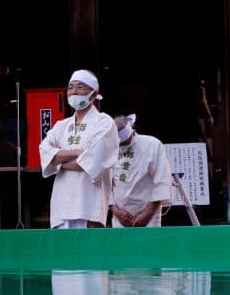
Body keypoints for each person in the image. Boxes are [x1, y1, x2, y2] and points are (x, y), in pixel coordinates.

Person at [39, 69, 118, 228]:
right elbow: (44, 151)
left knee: (88, 250)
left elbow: (95, 161)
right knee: (63, 251)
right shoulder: (62, 125)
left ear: (94, 94)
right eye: (70, 87)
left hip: (89, 204)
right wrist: (81, 152)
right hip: (61, 204)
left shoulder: (104, 122)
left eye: (80, 87)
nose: (73, 91)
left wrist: (58, 162)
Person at [108, 114, 173, 227]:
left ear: (133, 132)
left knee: (148, 243)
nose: (122, 148)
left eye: (125, 143)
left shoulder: (152, 144)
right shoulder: (108, 148)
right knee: (122, 244)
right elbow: (104, 184)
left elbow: (162, 181)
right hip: (121, 215)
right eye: (119, 145)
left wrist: (148, 213)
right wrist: (116, 211)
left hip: (148, 214)